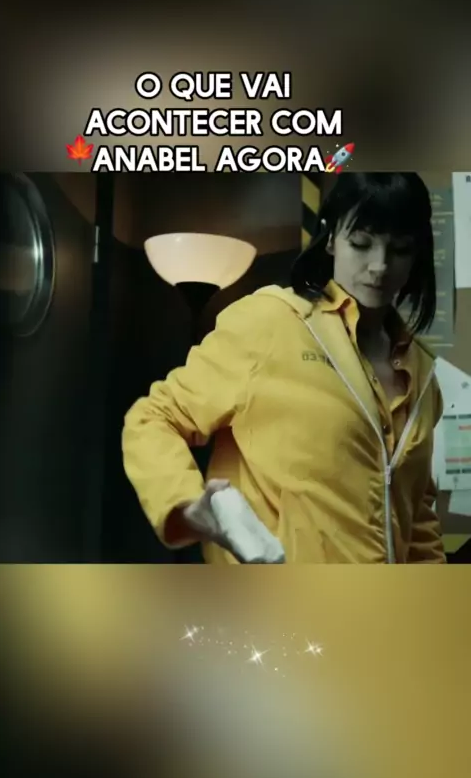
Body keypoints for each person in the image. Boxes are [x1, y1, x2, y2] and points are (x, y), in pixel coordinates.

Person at [122, 172, 446, 564]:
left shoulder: (422, 371)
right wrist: (188, 504)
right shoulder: (272, 322)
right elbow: (153, 417)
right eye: (361, 243)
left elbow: (417, 516)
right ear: (331, 240)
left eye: (400, 249)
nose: (379, 265)